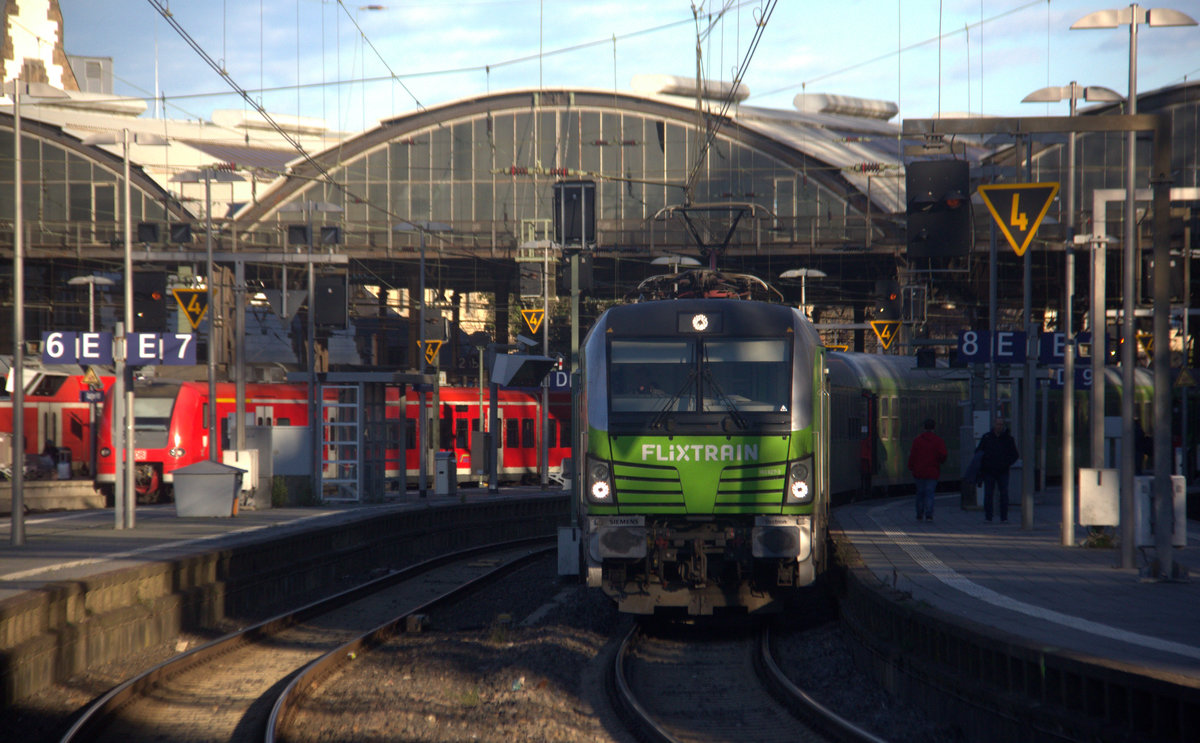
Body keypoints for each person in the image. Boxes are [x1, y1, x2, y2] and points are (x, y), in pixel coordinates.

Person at [976, 416, 1019, 522]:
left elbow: (1015, 455)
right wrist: (985, 464)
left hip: (1003, 471)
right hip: (989, 471)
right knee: (988, 494)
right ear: (994, 425)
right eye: (997, 424)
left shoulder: (1008, 439)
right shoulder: (987, 438)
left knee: (1004, 494)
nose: (999, 426)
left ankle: (1004, 517)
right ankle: (988, 516)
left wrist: (1007, 463)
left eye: (1001, 424)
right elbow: (978, 452)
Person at [907, 418, 947, 521]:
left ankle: (919, 513)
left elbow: (913, 455)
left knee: (920, 493)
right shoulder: (938, 441)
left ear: (924, 427)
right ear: (934, 427)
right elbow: (943, 455)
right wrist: (940, 461)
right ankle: (929, 514)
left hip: (919, 471)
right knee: (930, 493)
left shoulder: (917, 440)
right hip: (932, 471)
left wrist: (911, 467)